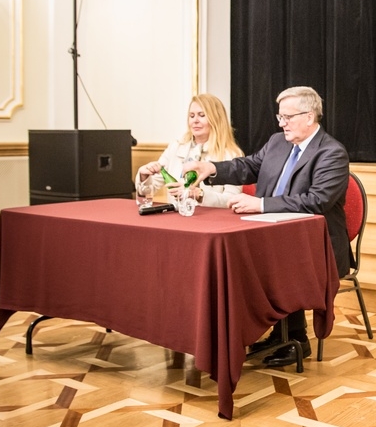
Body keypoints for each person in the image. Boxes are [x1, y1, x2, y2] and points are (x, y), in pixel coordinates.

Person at [184, 86, 351, 367]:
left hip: (316, 244)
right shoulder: (277, 142)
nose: (282, 123)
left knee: (278, 262)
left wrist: (261, 204)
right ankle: (269, 332)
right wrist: (212, 168)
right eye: (279, 117)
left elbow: (317, 201)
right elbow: (248, 166)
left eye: (288, 117)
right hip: (274, 234)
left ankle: (296, 338)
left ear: (309, 117)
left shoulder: (331, 152)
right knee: (240, 259)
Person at [135, 94, 244, 207]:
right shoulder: (176, 147)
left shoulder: (232, 154)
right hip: (176, 216)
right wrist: (144, 177)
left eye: (202, 115)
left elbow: (231, 200)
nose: (195, 121)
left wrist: (200, 195)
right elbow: (146, 192)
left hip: (212, 217)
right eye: (191, 116)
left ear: (216, 119)